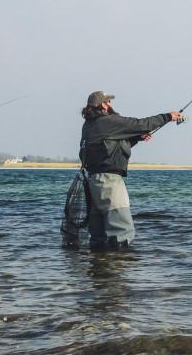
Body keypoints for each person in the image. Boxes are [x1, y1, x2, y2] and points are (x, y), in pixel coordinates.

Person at [79, 91, 184, 251]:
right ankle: (119, 266)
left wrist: (136, 138)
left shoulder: (89, 125)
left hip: (94, 182)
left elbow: (108, 149)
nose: (111, 104)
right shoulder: (108, 121)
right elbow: (140, 124)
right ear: (103, 105)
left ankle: (99, 269)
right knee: (122, 229)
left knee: (99, 233)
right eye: (108, 102)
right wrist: (168, 117)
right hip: (109, 182)